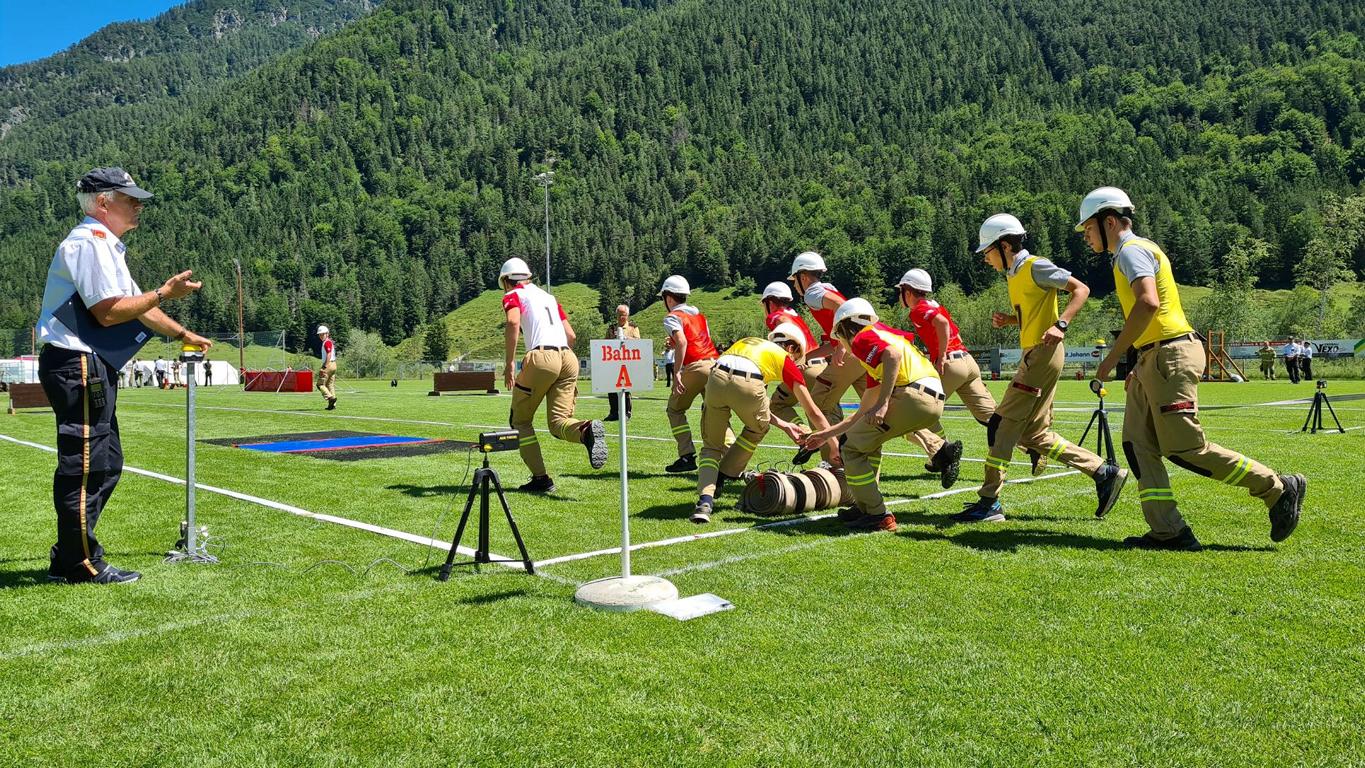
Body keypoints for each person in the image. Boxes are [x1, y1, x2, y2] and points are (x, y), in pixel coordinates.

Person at [1084, 186, 1305, 551]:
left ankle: (1276, 488)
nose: (1086, 236)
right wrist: (1139, 361)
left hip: (1168, 355)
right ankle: (1168, 531)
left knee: (1185, 448)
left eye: (1089, 228)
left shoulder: (1131, 251)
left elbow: (1148, 303)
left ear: (1109, 222)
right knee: (1137, 444)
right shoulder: (1135, 251)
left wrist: (1113, 359)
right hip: (1154, 357)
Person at [36, 166, 213, 584]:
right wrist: (164, 292)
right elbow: (109, 311)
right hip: (76, 361)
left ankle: (69, 553)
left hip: (90, 362)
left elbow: (139, 306)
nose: (138, 205)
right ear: (102, 202)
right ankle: (80, 563)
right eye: (129, 197)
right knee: (85, 465)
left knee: (107, 462)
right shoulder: (89, 244)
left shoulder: (106, 246)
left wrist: (182, 332)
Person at [954, 213, 1127, 524]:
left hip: (1041, 355)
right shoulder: (1015, 274)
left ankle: (989, 502)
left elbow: (1081, 289)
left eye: (988, 252)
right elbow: (1034, 313)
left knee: (1001, 424)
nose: (986, 259)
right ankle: (1103, 472)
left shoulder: (1036, 266)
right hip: (1038, 354)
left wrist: (1062, 324)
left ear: (1005, 246)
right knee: (1035, 435)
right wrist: (1010, 320)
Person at [801, 299, 946, 532]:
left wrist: (883, 403)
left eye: (839, 336)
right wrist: (825, 435)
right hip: (931, 400)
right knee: (864, 442)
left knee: (851, 450)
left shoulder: (862, 337)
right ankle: (865, 506)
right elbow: (860, 414)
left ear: (846, 327)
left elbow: (892, 356)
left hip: (912, 396)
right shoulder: (881, 347)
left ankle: (877, 514)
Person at [896, 268, 1045, 484]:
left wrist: (942, 356)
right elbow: (948, 326)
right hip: (967, 361)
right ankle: (1031, 447)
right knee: (992, 417)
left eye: (901, 291)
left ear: (908, 291)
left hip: (952, 365)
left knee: (917, 410)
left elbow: (943, 325)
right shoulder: (934, 304)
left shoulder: (918, 309)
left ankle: (941, 453)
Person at [691, 324, 831, 523]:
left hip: (715, 377)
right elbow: (812, 410)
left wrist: (785, 425)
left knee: (711, 446)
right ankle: (725, 474)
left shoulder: (748, 343)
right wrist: (832, 445)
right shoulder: (783, 359)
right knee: (757, 429)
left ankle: (705, 501)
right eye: (796, 354)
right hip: (749, 381)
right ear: (790, 348)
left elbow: (759, 404)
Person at [500, 257, 607, 492]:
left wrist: (509, 363)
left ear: (507, 281)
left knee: (520, 421)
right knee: (558, 422)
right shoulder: (548, 297)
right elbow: (571, 335)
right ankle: (586, 430)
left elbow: (512, 322)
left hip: (542, 357)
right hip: (568, 357)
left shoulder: (513, 295)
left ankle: (540, 478)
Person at [786, 251, 881, 468]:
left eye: (795, 281)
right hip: (860, 353)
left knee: (817, 403)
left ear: (803, 276)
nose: (795, 286)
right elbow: (830, 342)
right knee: (873, 408)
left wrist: (839, 342)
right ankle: (939, 449)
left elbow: (840, 306)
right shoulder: (827, 288)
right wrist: (804, 358)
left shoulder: (812, 292)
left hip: (851, 350)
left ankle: (834, 460)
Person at [758, 282, 831, 453]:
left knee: (777, 405)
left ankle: (809, 439)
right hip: (821, 366)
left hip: (805, 369)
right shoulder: (796, 315)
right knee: (825, 416)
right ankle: (815, 442)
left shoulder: (776, 316)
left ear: (770, 302)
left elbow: (781, 341)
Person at [660, 275, 721, 473]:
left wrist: (677, 372)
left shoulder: (672, 317)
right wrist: (677, 342)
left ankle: (686, 456)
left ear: (669, 298)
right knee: (717, 413)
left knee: (675, 409)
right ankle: (729, 461)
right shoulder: (699, 316)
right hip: (715, 365)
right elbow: (702, 340)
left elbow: (684, 342)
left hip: (696, 368)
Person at [604, 304, 640, 421]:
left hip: (628, 362)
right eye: (619, 315)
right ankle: (614, 412)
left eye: (623, 315)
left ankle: (626, 412)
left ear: (627, 315)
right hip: (614, 362)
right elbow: (604, 343)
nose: (621, 318)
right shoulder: (611, 328)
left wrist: (625, 338)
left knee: (625, 388)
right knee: (611, 387)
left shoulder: (633, 328)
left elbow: (639, 342)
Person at [316, 325, 338, 409]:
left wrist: (324, 366)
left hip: (329, 364)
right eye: (320, 334)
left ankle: (330, 397)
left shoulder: (327, 342)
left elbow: (328, 354)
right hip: (333, 364)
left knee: (320, 384)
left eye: (323, 334)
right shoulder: (327, 342)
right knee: (330, 385)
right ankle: (332, 405)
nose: (321, 336)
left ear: (327, 334)